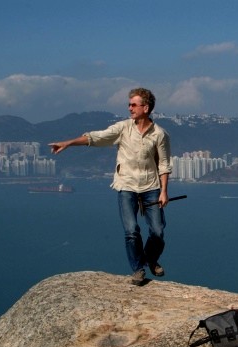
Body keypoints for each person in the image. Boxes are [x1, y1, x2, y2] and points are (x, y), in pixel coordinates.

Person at [49, 87, 172, 285]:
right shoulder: (123, 128)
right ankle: (138, 269)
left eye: (134, 105)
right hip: (126, 185)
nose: (129, 108)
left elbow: (164, 164)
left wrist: (164, 191)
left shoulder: (160, 134)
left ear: (146, 108)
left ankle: (150, 258)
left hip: (151, 186)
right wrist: (69, 143)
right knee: (131, 230)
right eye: (129, 104)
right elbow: (97, 137)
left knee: (158, 231)